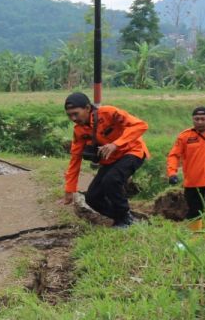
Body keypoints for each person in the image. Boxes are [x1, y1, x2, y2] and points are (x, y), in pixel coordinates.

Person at [62, 92, 149, 228]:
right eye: (69, 115)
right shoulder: (79, 131)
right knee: (92, 197)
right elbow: (75, 159)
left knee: (112, 180)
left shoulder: (109, 113)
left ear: (87, 108)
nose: (73, 118)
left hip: (132, 152)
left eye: (76, 113)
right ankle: (124, 217)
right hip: (110, 161)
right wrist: (69, 189)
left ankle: (125, 219)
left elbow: (140, 125)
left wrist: (116, 144)